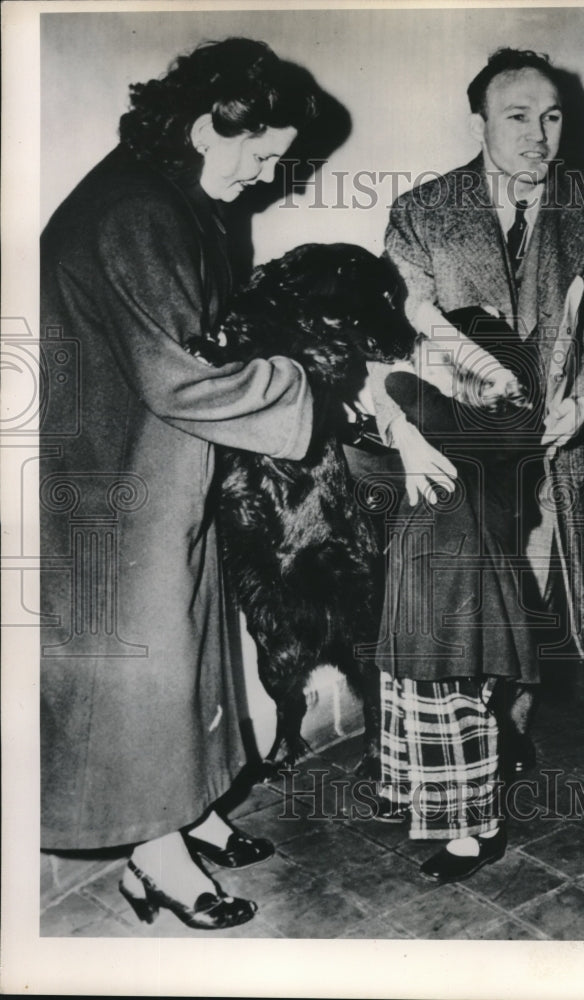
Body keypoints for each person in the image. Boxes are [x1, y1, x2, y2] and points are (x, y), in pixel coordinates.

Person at [39, 38, 321, 929]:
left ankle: (186, 813)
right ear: (208, 126)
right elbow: (182, 376)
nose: (269, 175)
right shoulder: (134, 211)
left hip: (159, 459)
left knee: (191, 643)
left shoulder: (171, 192)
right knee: (144, 658)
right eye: (262, 154)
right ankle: (151, 852)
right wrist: (305, 380)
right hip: (110, 473)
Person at [369, 48, 584, 883]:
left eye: (553, 115)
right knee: (464, 596)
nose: (539, 133)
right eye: (519, 115)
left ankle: (502, 746)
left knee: (530, 601)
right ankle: (468, 780)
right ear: (481, 123)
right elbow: (393, 335)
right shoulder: (422, 212)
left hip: (555, 446)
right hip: (461, 445)